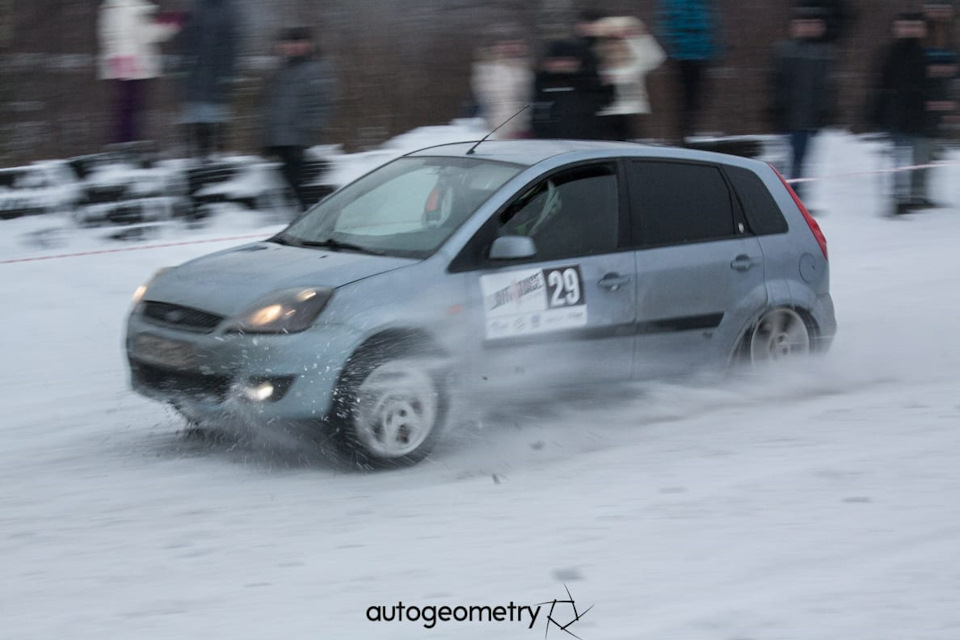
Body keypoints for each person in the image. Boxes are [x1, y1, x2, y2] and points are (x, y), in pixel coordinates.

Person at [868, 13, 935, 214]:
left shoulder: (924, 54)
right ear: (897, 28)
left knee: (915, 158)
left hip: (916, 114)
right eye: (906, 26)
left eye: (915, 26)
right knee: (898, 158)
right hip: (895, 113)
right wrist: (878, 112)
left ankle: (911, 196)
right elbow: (881, 84)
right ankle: (898, 198)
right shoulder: (890, 53)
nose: (910, 30)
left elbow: (929, 86)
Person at [263, 27, 336, 212]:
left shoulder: (314, 69)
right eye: (289, 43)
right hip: (280, 135)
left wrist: (307, 127)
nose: (293, 47)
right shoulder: (283, 70)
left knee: (296, 175)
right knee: (290, 175)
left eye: (298, 42)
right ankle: (303, 209)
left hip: (297, 135)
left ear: (308, 45)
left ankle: (307, 211)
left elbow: (322, 102)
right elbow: (272, 104)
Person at [769, 7, 836, 196]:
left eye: (814, 25)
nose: (809, 28)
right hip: (788, 114)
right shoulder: (784, 50)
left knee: (800, 158)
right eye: (804, 24)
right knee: (788, 158)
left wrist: (825, 110)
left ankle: (794, 195)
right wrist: (776, 108)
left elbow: (827, 86)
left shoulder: (824, 52)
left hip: (809, 117)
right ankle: (786, 195)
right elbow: (776, 82)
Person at [98, 0, 180, 144]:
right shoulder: (131, 7)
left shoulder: (111, 6)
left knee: (125, 107)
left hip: (119, 62)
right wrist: (170, 25)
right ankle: (128, 144)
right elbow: (144, 35)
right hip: (133, 63)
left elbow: (107, 35)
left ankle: (122, 143)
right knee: (133, 106)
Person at [179, 0, 239, 161]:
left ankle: (220, 156)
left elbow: (233, 42)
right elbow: (187, 40)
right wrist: (184, 66)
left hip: (219, 71)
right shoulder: (195, 8)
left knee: (218, 115)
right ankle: (201, 155)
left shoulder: (229, 9)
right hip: (197, 72)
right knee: (198, 115)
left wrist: (228, 72)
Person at [656, 0, 721, 143]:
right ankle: (685, 130)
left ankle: (687, 129)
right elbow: (710, 25)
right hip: (688, 55)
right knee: (690, 96)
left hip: (692, 54)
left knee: (691, 96)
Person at [594, 16, 666, 141]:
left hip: (631, 110)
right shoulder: (598, 60)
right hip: (604, 112)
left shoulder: (636, 62)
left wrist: (638, 36)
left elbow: (656, 57)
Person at [530, 38, 613, 140]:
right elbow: (539, 117)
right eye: (557, 61)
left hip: (588, 138)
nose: (562, 64)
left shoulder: (588, 81)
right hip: (552, 141)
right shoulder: (542, 83)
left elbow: (604, 103)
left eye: (568, 60)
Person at [470, 23, 533, 139]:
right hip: (495, 132)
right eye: (504, 44)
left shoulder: (529, 69)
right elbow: (484, 103)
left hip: (527, 132)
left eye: (513, 43)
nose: (509, 48)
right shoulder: (486, 71)